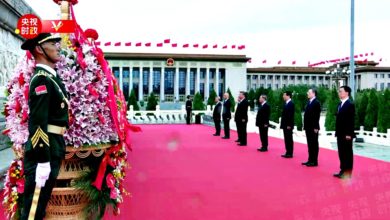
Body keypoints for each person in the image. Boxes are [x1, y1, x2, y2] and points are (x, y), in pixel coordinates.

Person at [21, 33, 69, 220]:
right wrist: (42, 160)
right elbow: (37, 122)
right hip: (44, 148)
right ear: (39, 49)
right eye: (52, 43)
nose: (58, 47)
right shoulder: (42, 80)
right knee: (33, 210)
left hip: (54, 144)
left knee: (40, 206)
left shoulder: (51, 78)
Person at [334, 86, 355, 179]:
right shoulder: (340, 104)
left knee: (347, 153)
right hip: (340, 133)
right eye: (339, 91)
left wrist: (349, 134)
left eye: (341, 91)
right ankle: (342, 170)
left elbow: (351, 121)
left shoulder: (350, 104)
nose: (339, 93)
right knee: (341, 153)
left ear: (347, 93)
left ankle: (348, 173)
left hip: (346, 134)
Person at [302, 88, 321, 167]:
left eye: (309, 92)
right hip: (308, 127)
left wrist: (316, 127)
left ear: (313, 93)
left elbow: (317, 116)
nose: (307, 93)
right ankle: (310, 159)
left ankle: (314, 161)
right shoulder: (309, 102)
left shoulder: (316, 102)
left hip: (313, 127)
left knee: (314, 144)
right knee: (310, 144)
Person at [281, 91, 295, 158]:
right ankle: (287, 152)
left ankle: (290, 153)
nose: (283, 96)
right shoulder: (286, 103)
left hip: (288, 125)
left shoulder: (291, 104)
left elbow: (291, 115)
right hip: (285, 124)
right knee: (286, 139)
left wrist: (289, 125)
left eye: (284, 95)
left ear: (288, 96)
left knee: (289, 139)